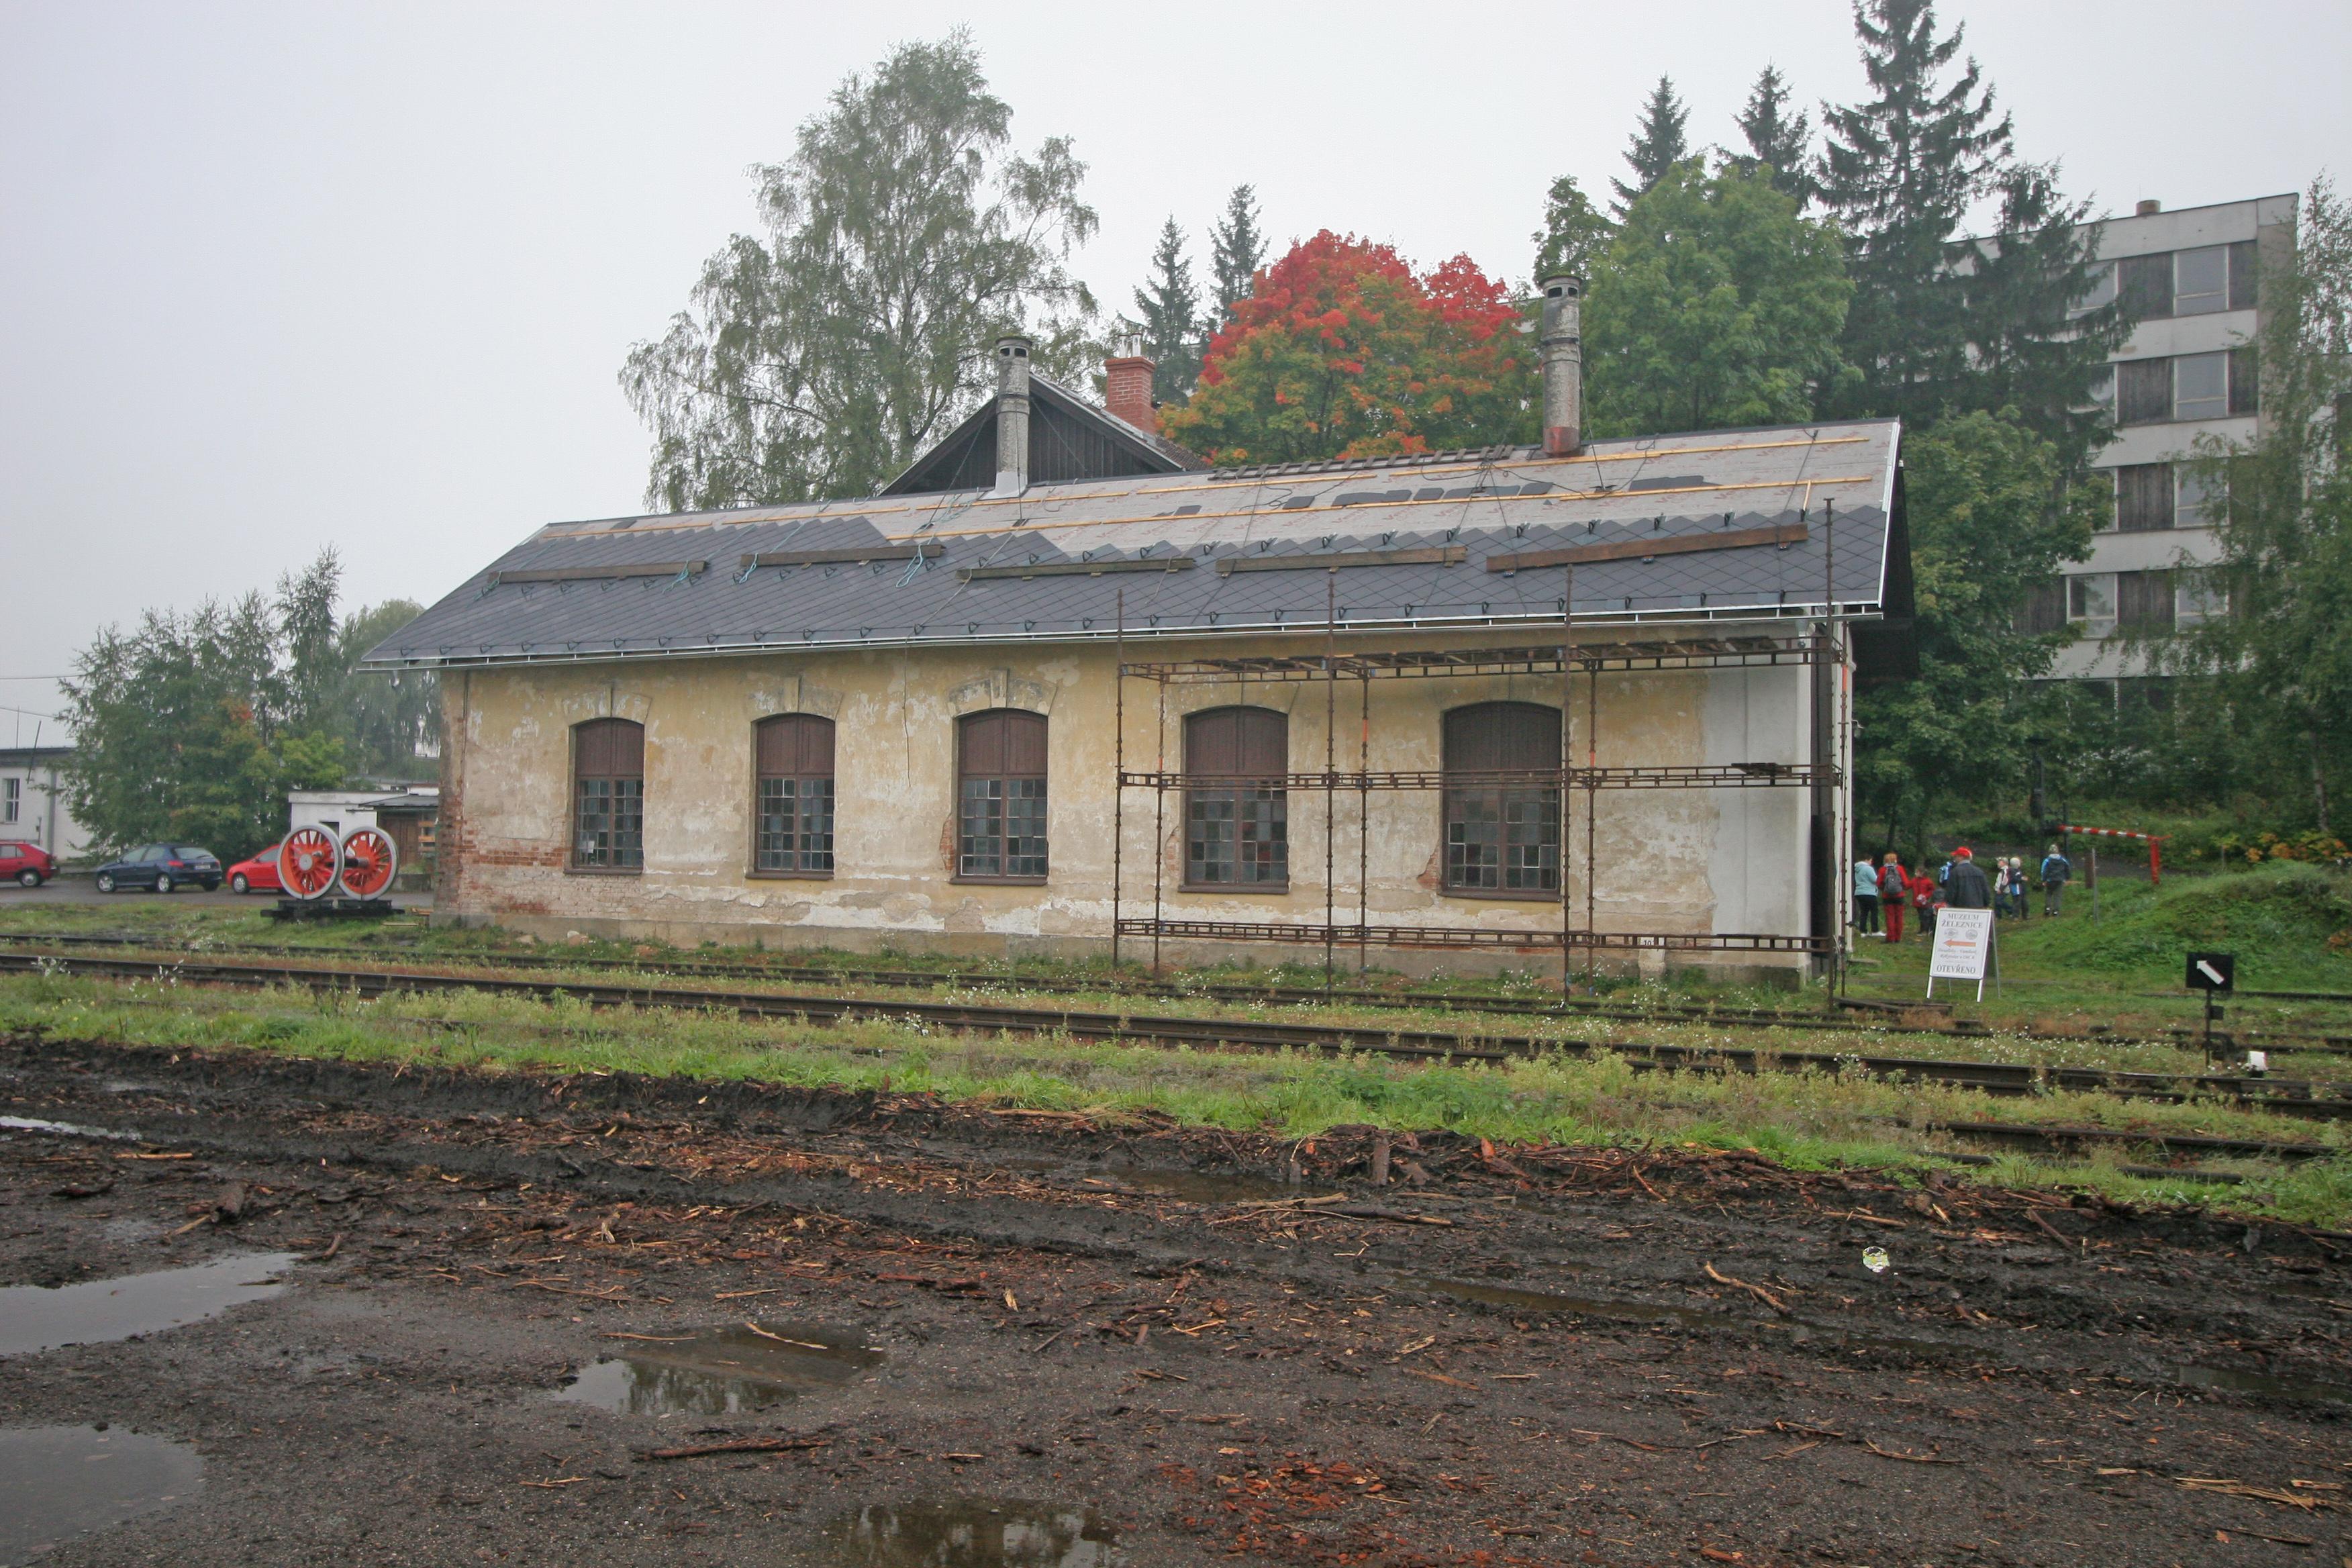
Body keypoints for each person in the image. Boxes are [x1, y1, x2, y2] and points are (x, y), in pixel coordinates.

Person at [1945, 846, 1993, 910]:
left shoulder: (1955, 872)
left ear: (1961, 857)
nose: (1954, 859)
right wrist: (1986, 904)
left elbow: (1951, 891)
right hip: (1978, 907)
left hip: (1960, 907)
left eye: (1956, 856)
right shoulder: (1979, 871)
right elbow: (1986, 890)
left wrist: (1949, 904)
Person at [1878, 852, 1908, 943]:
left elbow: (1879, 883)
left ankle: (1890, 938)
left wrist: (1884, 888)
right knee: (1899, 917)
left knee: (1890, 917)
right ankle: (1898, 938)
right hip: (1899, 896)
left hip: (1887, 896)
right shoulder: (1900, 869)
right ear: (1895, 860)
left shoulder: (1883, 870)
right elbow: (1906, 883)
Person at [2041, 842, 2072, 917]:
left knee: (2049, 894)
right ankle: (2056, 911)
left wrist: (2044, 880)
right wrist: (2067, 877)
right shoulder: (2063, 860)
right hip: (2060, 880)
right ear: (2058, 851)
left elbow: (2044, 871)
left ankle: (2047, 909)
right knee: (2057, 896)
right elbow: (2068, 868)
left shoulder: (2047, 861)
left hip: (2050, 880)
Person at [1853, 856, 1881, 934]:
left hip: (1859, 892)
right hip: (1869, 892)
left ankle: (1863, 931)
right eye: (1870, 860)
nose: (1871, 863)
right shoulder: (1868, 868)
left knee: (1864, 912)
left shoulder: (1857, 868)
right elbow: (1875, 880)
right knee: (1874, 911)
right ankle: (1875, 930)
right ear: (1866, 860)